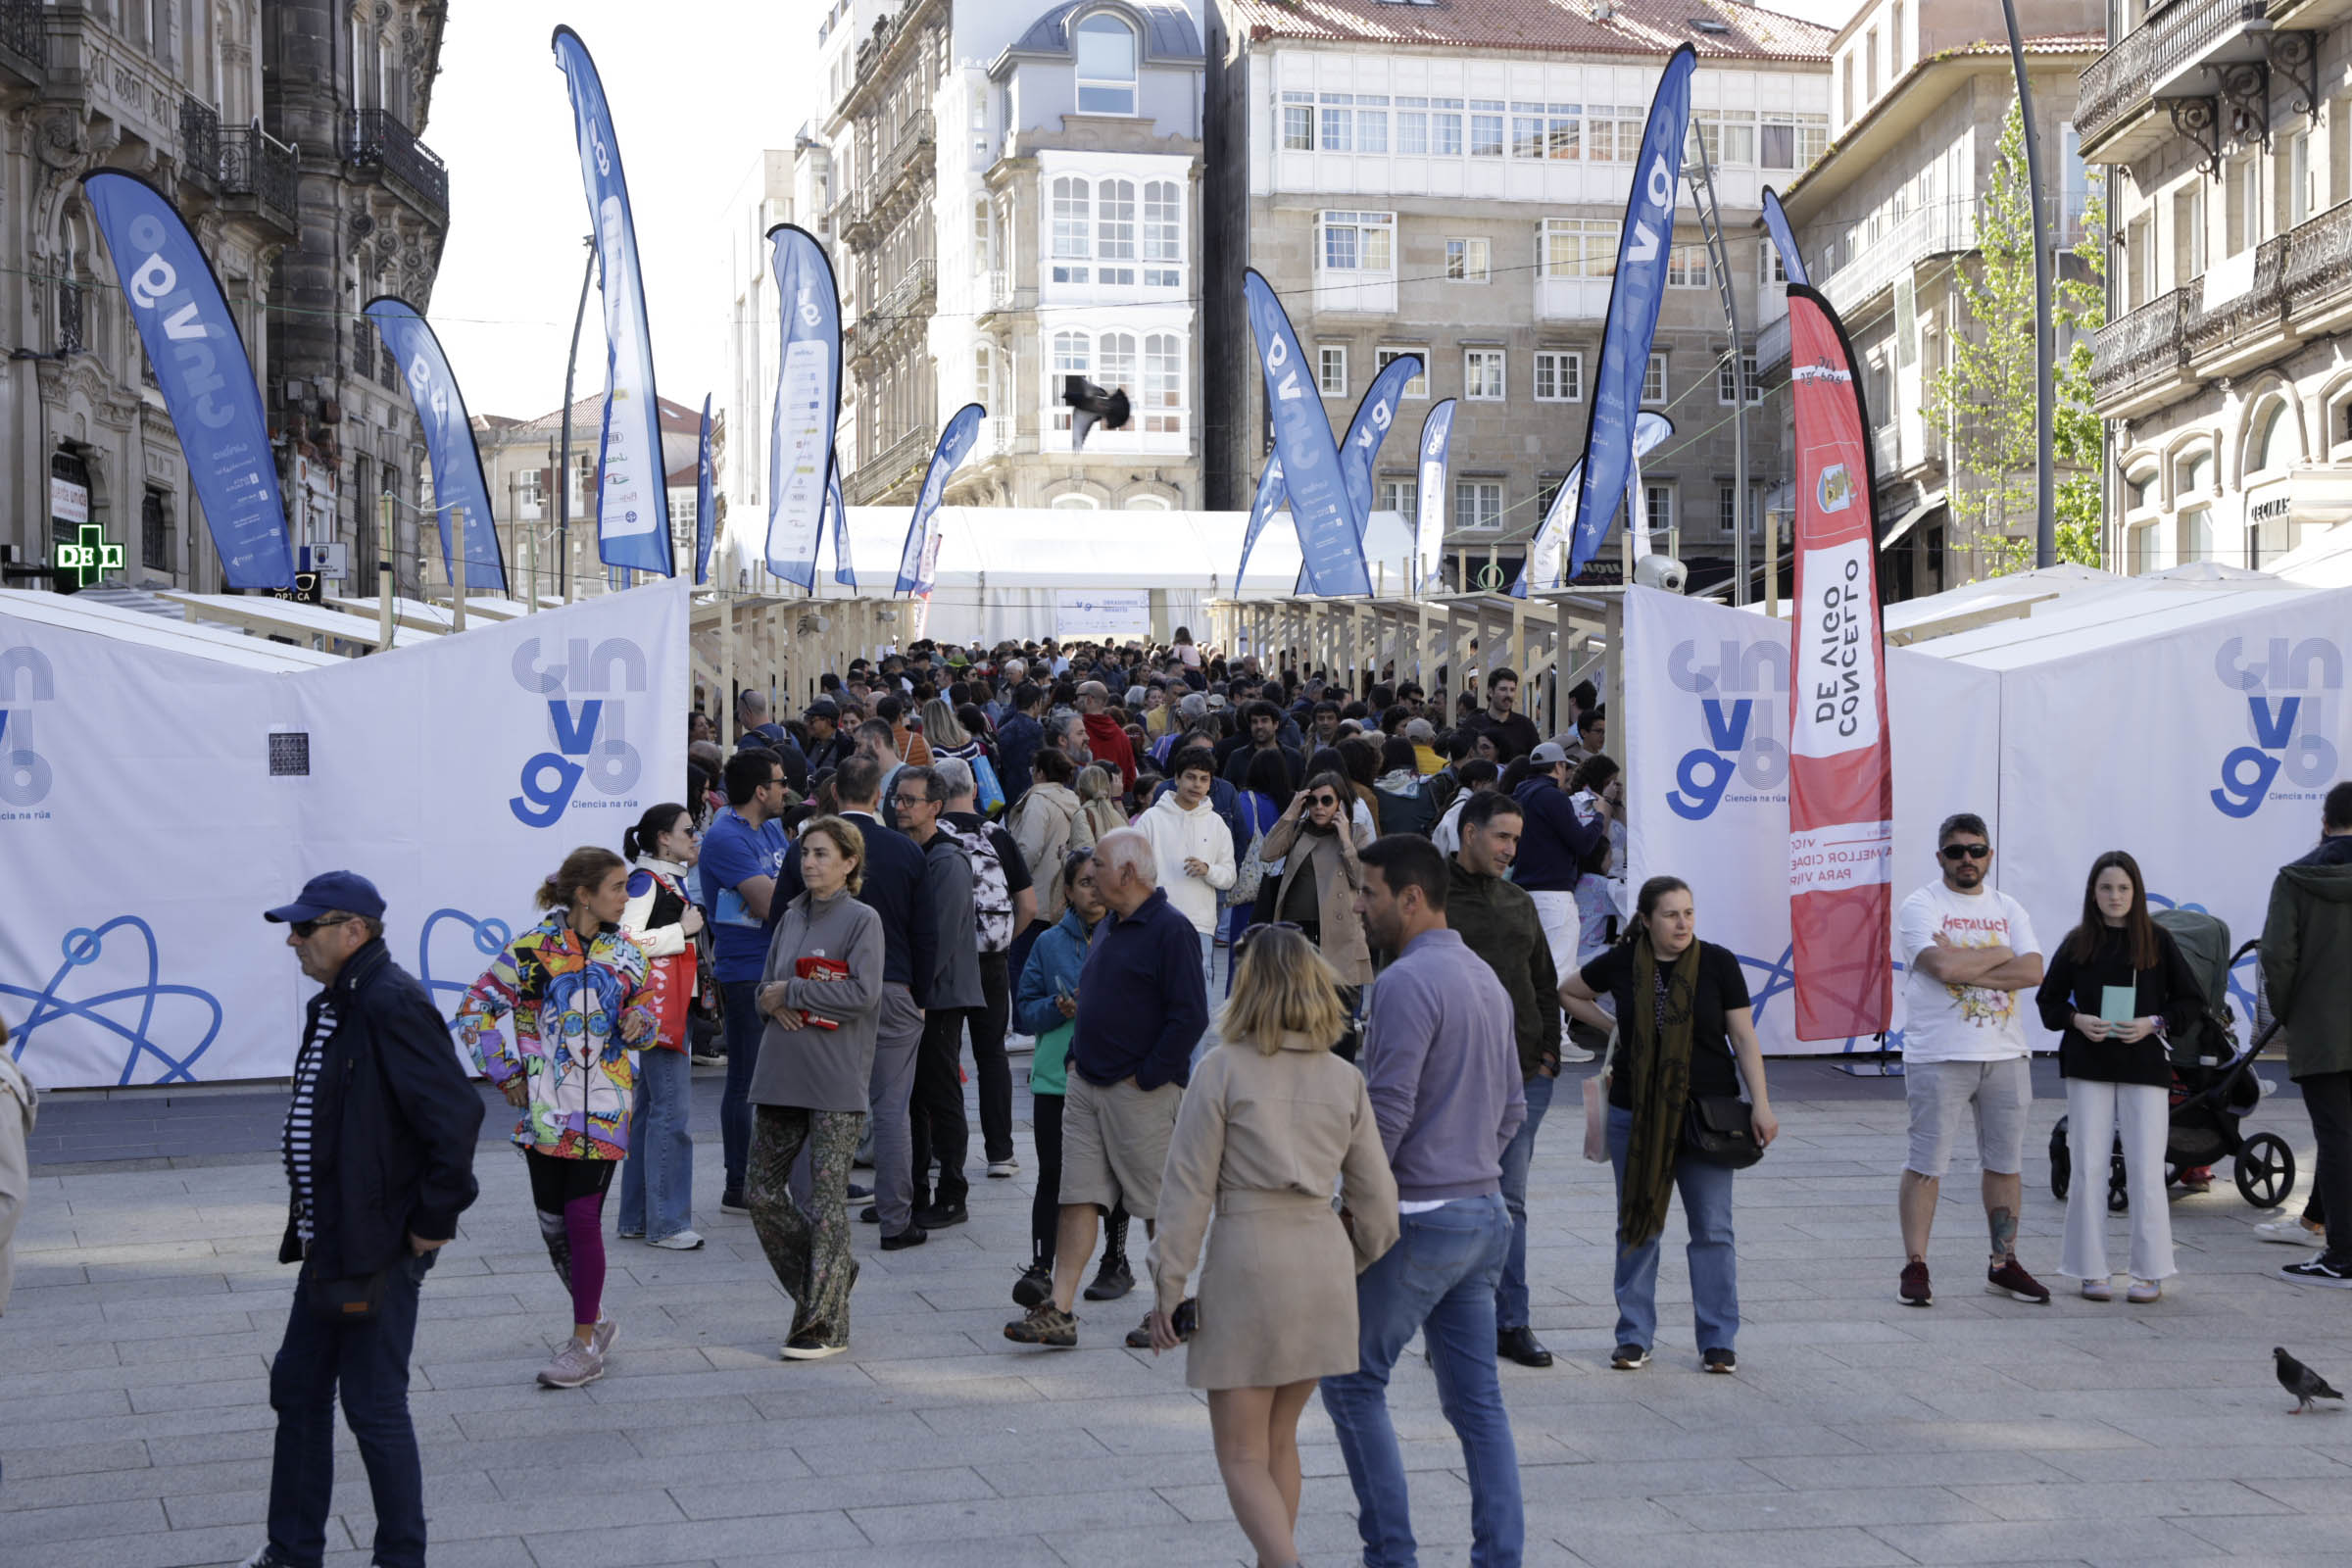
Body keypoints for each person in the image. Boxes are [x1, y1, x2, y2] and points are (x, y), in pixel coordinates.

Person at [234, 876, 482, 1568]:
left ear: (354, 930)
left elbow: (456, 1116)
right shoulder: (340, 1004)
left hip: (377, 1242)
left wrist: (432, 1221)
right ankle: (292, 1553)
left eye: (305, 928)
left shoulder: (389, 1001)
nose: (293, 939)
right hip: (334, 1240)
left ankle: (400, 1557)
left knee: (372, 1405)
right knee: (299, 1389)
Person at [1149, 926, 1400, 1568]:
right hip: (1321, 1256)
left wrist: (1168, 1288)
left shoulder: (1221, 1070)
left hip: (1248, 1257)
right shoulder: (1345, 1079)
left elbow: (1186, 1193)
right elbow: (1378, 1207)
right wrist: (1351, 1263)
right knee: (1280, 1440)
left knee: (1240, 1453)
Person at [1323, 835, 1525, 1568]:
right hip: (1480, 1211)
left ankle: (1392, 1556)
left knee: (1350, 1383)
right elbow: (1512, 1111)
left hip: (1421, 1216)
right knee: (1479, 1407)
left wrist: (1354, 1206)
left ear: (1411, 898)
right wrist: (1468, 1162)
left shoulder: (1407, 982)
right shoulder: (1482, 977)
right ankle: (1500, 1557)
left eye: (1368, 893)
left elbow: (1387, 1110)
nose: (1358, 906)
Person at [457, 849, 657, 1389]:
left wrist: (640, 1022)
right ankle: (596, 1320)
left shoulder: (627, 953)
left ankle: (583, 1342)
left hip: (608, 1111)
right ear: (584, 895)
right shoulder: (530, 952)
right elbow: (474, 1010)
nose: (627, 896)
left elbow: (647, 1014)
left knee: (582, 1220)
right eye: (617, 887)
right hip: (546, 1115)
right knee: (554, 1229)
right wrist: (506, 1074)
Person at [1561, 877, 1777, 1373]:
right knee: (1638, 1224)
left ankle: (1718, 1339)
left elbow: (1743, 1038)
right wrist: (1616, 1028)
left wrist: (1761, 1103)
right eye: (1671, 915)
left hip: (1706, 1116)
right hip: (1635, 1112)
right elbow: (1570, 992)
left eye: (1689, 913)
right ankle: (1634, 1335)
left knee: (1713, 1230)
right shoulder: (1622, 963)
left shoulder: (1717, 963)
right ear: (1646, 920)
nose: (1682, 923)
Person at [1005, 829, 1208, 1349]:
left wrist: (1148, 1074)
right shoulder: (1113, 926)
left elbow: (1190, 1017)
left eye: (1098, 864)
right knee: (1078, 1197)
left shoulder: (1171, 930)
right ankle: (1061, 1310)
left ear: (1128, 873)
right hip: (1086, 1086)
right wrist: (1077, 1060)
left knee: (1156, 1205)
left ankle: (1172, 1310)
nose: (1089, 873)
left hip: (1139, 1093)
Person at [1893, 813, 2050, 1308]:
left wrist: (1969, 965)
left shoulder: (2008, 907)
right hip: (1939, 1053)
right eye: (1956, 850)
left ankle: (2003, 1263)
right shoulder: (1921, 905)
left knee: (2004, 1165)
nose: (1967, 859)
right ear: (1940, 856)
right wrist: (1998, 954)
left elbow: (2033, 970)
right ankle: (1916, 1265)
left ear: (1990, 855)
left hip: (2006, 1054)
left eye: (1976, 850)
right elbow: (1938, 966)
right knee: (1926, 1165)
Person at [2035, 851, 2201, 1302]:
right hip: (2088, 1066)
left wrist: (2154, 1023)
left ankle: (2150, 1269)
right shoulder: (2077, 942)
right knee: (2088, 1167)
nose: (2115, 896)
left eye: (2123, 888)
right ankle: (2089, 1268)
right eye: (2106, 888)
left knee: (2147, 1169)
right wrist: (2076, 1020)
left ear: (2136, 892)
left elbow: (2190, 1002)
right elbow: (2048, 1003)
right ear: (2093, 892)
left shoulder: (2159, 941)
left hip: (2144, 1065)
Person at [749, 815, 886, 1358]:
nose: (809, 862)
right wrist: (771, 998)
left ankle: (824, 1323)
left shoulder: (862, 919)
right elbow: (765, 986)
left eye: (822, 854)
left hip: (833, 1076)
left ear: (849, 863)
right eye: (806, 853)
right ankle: (825, 1282)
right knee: (760, 1191)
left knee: (827, 1205)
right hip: (780, 1070)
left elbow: (864, 993)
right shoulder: (791, 915)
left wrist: (795, 992)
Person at [788, 754, 936, 1250]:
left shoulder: (807, 850)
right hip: (893, 989)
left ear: (833, 793)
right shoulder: (905, 850)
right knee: (892, 1108)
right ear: (880, 795)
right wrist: (921, 994)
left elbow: (784, 925)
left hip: (823, 987)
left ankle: (811, 1216)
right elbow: (926, 931)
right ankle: (896, 1220)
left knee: (818, 1101)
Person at [1445, 790, 1564, 1368]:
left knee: (1509, 1201)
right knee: (1459, 1199)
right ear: (1470, 832)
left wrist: (1547, 1055)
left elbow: (1544, 980)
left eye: (1517, 839)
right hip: (1457, 1077)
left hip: (1523, 1074)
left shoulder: (1519, 901)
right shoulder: (1432, 900)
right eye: (1501, 837)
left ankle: (1511, 1321)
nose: (1510, 849)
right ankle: (1456, 1321)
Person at [1010, 847, 1137, 1307]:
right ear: (1067, 891)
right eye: (1084, 882)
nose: (1094, 890)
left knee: (1116, 1173)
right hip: (1056, 1079)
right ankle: (1042, 1266)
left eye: (1098, 879)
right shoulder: (1047, 944)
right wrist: (1055, 1008)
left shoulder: (1127, 936)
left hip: (1114, 1076)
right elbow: (1025, 1010)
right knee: (1053, 1174)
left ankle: (1115, 1260)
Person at [2259, 780, 2352, 1287]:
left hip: (2324, 1027)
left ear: (2325, 820)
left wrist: (2293, 1008)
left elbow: (2277, 956)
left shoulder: (2296, 879)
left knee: (2337, 1138)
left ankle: (2342, 1256)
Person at [700, 748, 792, 1213]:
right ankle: (739, 1183)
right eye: (780, 782)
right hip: (747, 974)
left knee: (786, 1081)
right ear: (760, 791)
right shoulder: (724, 837)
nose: (786, 789)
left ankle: (789, 1179)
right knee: (746, 1081)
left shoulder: (771, 828)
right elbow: (769, 903)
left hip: (779, 967)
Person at [937, 755, 1038, 1180]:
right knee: (992, 1054)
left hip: (944, 964)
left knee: (942, 1058)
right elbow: (1029, 906)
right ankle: (1001, 1152)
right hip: (992, 960)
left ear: (935, 796)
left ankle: (947, 1155)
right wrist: (1002, 943)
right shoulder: (999, 835)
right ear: (974, 790)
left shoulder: (930, 837)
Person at [616, 804, 707, 1250]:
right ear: (662, 839)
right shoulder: (645, 881)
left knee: (651, 1111)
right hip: (660, 1009)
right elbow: (623, 940)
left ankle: (638, 1217)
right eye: (689, 830)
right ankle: (667, 1223)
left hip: (669, 1005)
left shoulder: (665, 878)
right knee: (670, 1114)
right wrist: (681, 930)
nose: (697, 835)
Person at [898, 765, 984, 1229]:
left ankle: (952, 1192)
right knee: (911, 1097)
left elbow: (944, 936)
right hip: (915, 993)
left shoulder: (947, 860)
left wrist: (918, 995)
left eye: (910, 800)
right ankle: (912, 1192)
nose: (901, 807)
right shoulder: (911, 854)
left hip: (939, 997)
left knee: (940, 1092)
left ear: (935, 807)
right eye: (898, 799)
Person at [1259, 772, 1374, 1057]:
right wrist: (1291, 811)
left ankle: (1341, 1088)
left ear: (1340, 804)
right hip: (1297, 935)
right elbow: (1267, 852)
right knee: (1295, 1017)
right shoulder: (1298, 829)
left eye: (1327, 800)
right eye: (1313, 801)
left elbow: (1364, 879)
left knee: (1340, 1021)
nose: (1319, 807)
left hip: (1340, 938)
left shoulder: (1358, 833)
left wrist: (1345, 838)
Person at [1513, 742, 1610, 1066]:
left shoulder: (1521, 794)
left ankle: (1541, 1036)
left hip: (1527, 892)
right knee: (1558, 970)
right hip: (1554, 894)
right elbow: (1582, 844)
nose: (1567, 773)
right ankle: (1556, 1039)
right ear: (1557, 768)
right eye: (1566, 767)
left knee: (1537, 969)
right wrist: (1599, 818)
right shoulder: (1552, 796)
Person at [1134, 745, 1238, 995]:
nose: (1196, 785)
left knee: (1193, 1000)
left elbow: (1229, 876)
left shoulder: (1216, 824)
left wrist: (1208, 870)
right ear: (1177, 778)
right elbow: (1133, 867)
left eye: (1204, 779)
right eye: (1190, 777)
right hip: (1156, 922)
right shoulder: (1151, 819)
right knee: (1154, 995)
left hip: (1199, 926)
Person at [1008, 748, 1094, 983]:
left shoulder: (1038, 800)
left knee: (1023, 967)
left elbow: (1030, 847)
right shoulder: (1074, 801)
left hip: (1034, 900)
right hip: (1064, 901)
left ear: (1039, 772)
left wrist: (1015, 883)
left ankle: (1023, 1020)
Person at [1223, 699, 1306, 794]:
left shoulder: (1294, 757)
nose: (1259, 726)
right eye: (1254, 722)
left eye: (1264, 720)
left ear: (1276, 724)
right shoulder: (1236, 757)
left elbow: (1301, 794)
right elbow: (1227, 794)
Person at [1465, 665, 1540, 763]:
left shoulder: (1525, 725)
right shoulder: (1473, 724)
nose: (1509, 695)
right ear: (1491, 692)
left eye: (1512, 690)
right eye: (1503, 689)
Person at [1430, 758, 1500, 858]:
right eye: (1493, 782)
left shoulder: (1464, 805)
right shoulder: (1462, 809)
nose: (1496, 787)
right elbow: (1456, 853)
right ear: (1476, 784)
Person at [1076, 680, 1138, 789]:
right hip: (1114, 800)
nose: (1075, 701)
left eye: (1078, 696)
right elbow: (1130, 779)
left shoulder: (1076, 732)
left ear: (1089, 699)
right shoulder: (1121, 736)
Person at [1372, 736, 1436, 838]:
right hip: (1423, 847)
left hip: (1385, 847)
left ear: (1385, 758)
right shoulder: (1429, 784)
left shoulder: (1373, 789)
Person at [1075, 761, 1127, 842]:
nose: (1121, 786)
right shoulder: (1084, 813)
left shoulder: (1113, 812)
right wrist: (1117, 801)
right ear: (1105, 784)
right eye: (1117, 781)